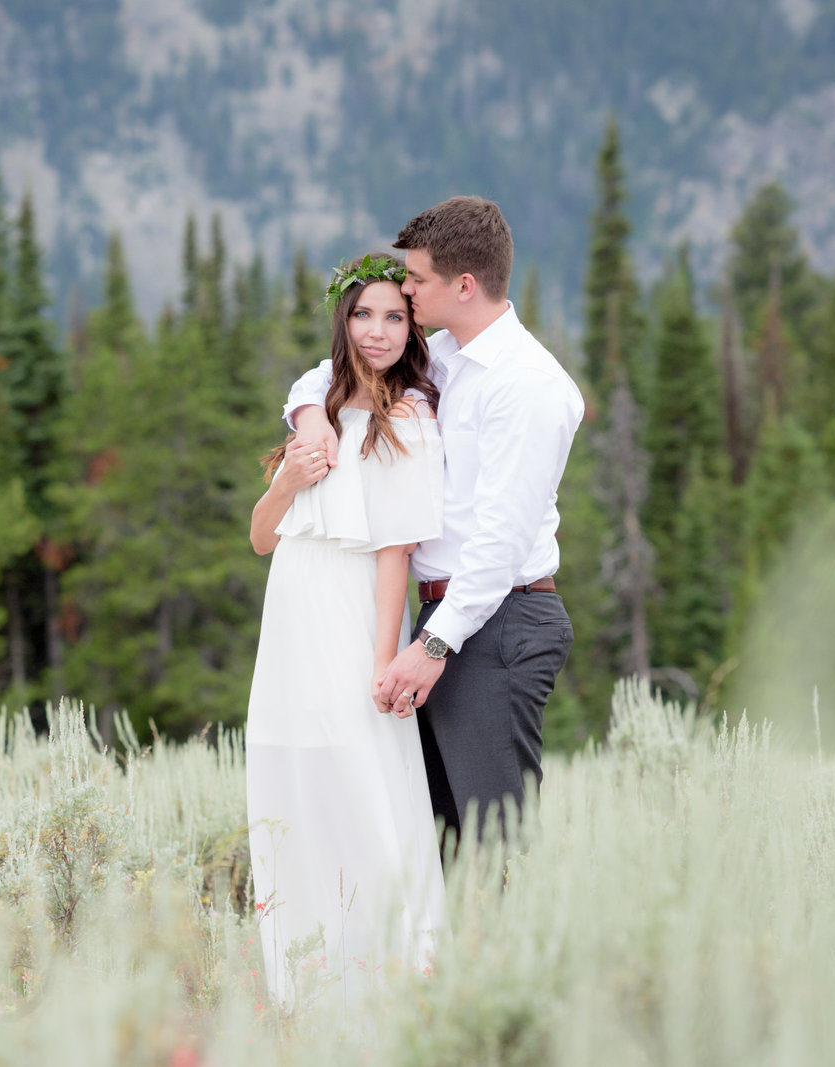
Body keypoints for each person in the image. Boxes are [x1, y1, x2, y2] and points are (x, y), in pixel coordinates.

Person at [285, 196, 585, 850]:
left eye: (417, 279)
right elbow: (332, 374)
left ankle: (521, 952)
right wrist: (310, 416)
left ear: (464, 285)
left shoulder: (527, 385)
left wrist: (433, 646)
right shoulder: (446, 355)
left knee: (495, 842)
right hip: (450, 620)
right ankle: (458, 955)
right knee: (440, 842)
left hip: (500, 620)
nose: (407, 290)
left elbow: (499, 542)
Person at [246, 253, 447, 1010]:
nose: (378, 330)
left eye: (395, 316)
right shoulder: (315, 405)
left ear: (411, 326)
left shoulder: (412, 416)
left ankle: (398, 977)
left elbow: (396, 552)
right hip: (292, 608)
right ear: (343, 318)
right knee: (292, 780)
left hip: (356, 609)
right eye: (364, 314)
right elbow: (263, 535)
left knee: (366, 778)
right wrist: (292, 478)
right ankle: (304, 982)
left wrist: (384, 660)